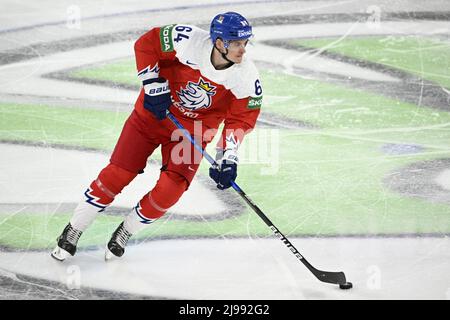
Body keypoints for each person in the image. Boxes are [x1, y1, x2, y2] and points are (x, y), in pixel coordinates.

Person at [51, 11, 263, 261]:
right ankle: (75, 228)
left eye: (245, 43)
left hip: (192, 133)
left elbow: (241, 120)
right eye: (237, 43)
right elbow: (146, 43)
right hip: (152, 117)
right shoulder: (187, 41)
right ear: (219, 42)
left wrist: (228, 157)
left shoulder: (246, 77)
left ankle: (125, 231)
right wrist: (153, 84)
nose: (243, 50)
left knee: (171, 190)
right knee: (119, 173)